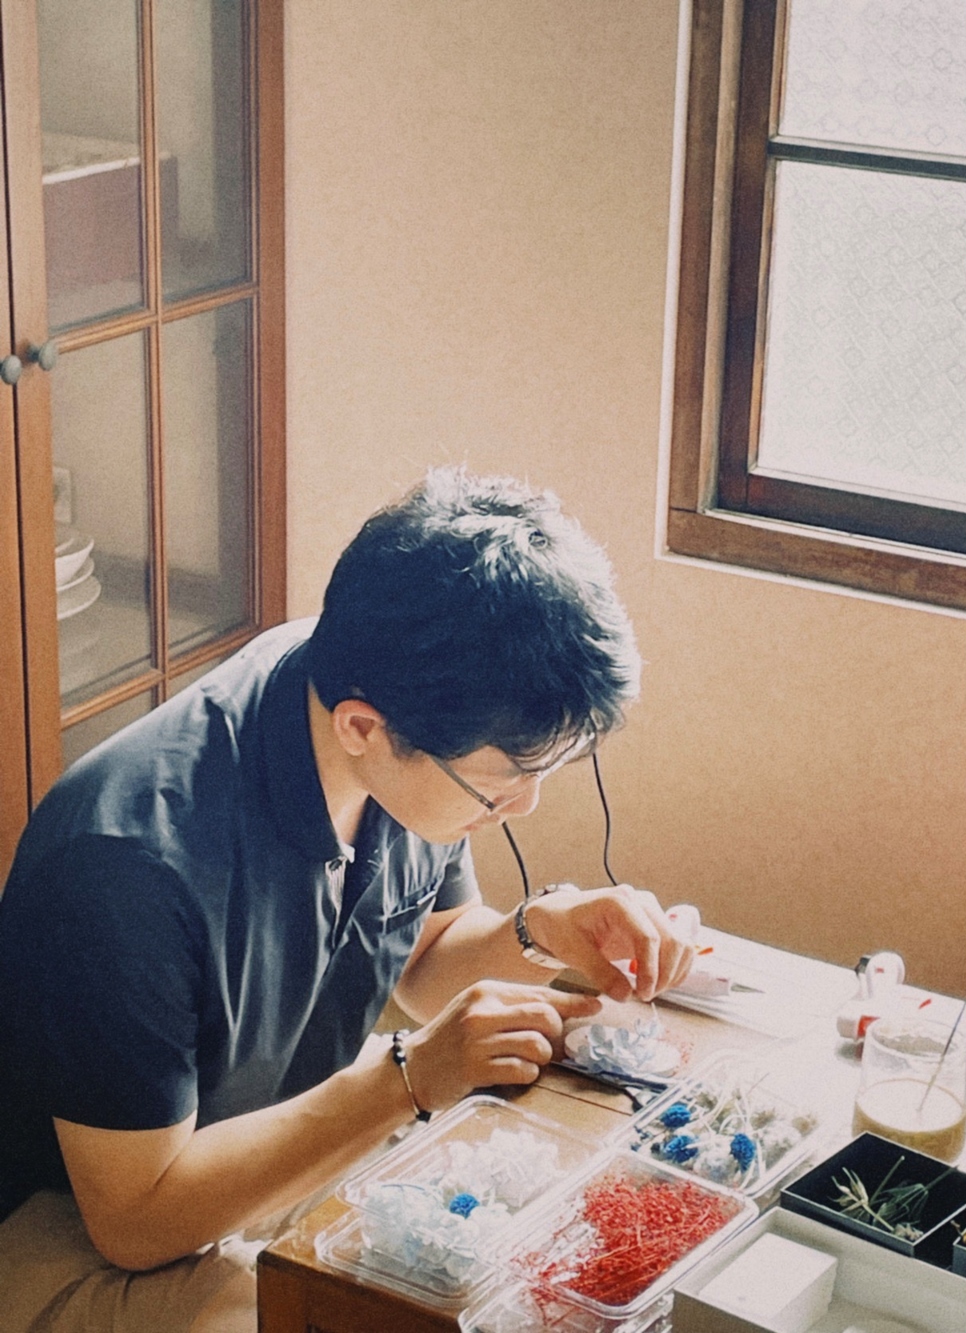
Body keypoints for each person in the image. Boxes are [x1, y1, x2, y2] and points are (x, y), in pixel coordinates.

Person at [0, 469, 696, 1333]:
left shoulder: (381, 701)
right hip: (73, 1229)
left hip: (258, 1151)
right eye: (503, 783)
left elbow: (425, 957)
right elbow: (137, 1220)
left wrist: (537, 932)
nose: (524, 807)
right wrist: (407, 1077)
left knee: (540, 1251)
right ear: (362, 728)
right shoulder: (124, 866)